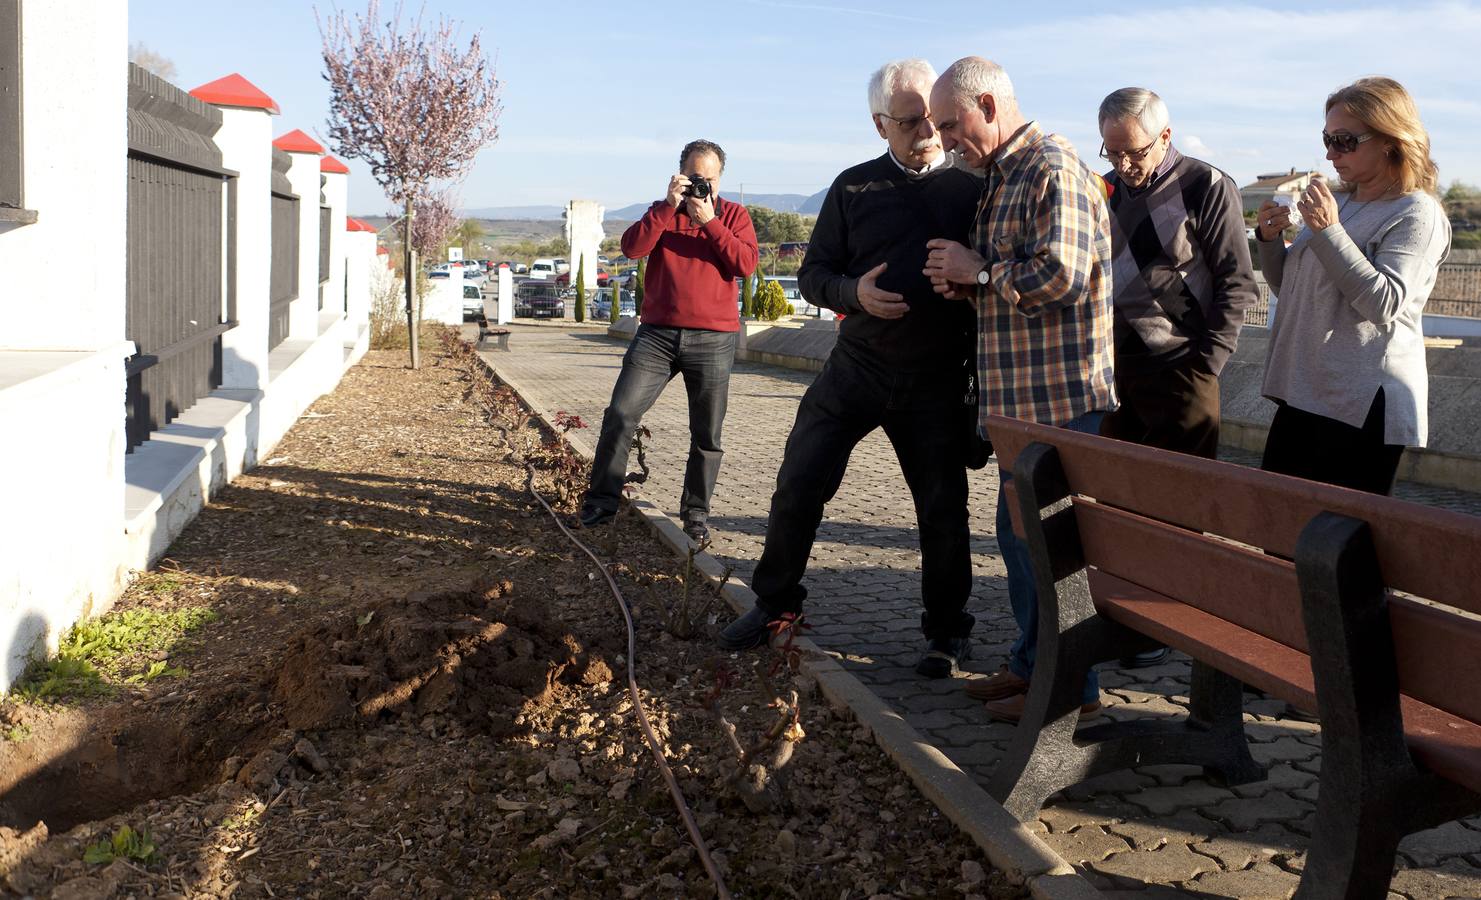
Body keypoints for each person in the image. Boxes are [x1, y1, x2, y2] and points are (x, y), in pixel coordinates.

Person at [716, 59, 981, 678]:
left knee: (943, 509)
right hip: (856, 367)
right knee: (799, 481)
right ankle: (776, 604)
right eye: (910, 123)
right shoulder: (854, 187)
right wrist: (851, 293)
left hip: (937, 377)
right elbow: (812, 276)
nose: (927, 136)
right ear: (879, 124)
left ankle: (947, 632)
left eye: (932, 123)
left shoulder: (971, 190)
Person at [922, 56, 1116, 722]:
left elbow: (1062, 276)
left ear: (986, 104)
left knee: (1050, 554)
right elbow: (1013, 284)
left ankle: (1073, 694)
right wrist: (966, 285)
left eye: (950, 123)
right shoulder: (1002, 176)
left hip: (1058, 406)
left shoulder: (1052, 170)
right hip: (1019, 408)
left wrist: (977, 274)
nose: (944, 138)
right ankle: (1033, 667)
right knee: (1020, 545)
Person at [1096, 87, 1257, 668]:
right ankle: (1124, 613)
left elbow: (1237, 283)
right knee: (1121, 498)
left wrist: (1206, 363)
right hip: (1117, 370)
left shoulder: (1207, 185)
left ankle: (1173, 623)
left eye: (1133, 151)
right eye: (1111, 152)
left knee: (1181, 506)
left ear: (1165, 137)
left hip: (1183, 369)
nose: (1123, 164)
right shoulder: (1106, 189)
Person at [1256, 77, 1450, 495]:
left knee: (1336, 545)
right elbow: (1291, 290)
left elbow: (1384, 303)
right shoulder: (1339, 201)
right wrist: (1269, 243)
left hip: (1360, 403)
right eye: (1327, 139)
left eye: (1344, 141)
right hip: (1305, 389)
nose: (1330, 154)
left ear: (1389, 139)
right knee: (1277, 529)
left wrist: (1328, 231)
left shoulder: (1417, 213)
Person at [577, 140, 759, 542]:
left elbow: (745, 264)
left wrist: (711, 222)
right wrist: (665, 207)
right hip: (657, 335)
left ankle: (696, 514)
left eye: (708, 179)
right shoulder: (662, 212)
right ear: (680, 174)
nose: (701, 186)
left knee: (707, 433)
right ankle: (601, 502)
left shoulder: (733, 214)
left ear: (719, 179)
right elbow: (631, 248)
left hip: (714, 338)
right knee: (621, 415)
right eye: (695, 178)